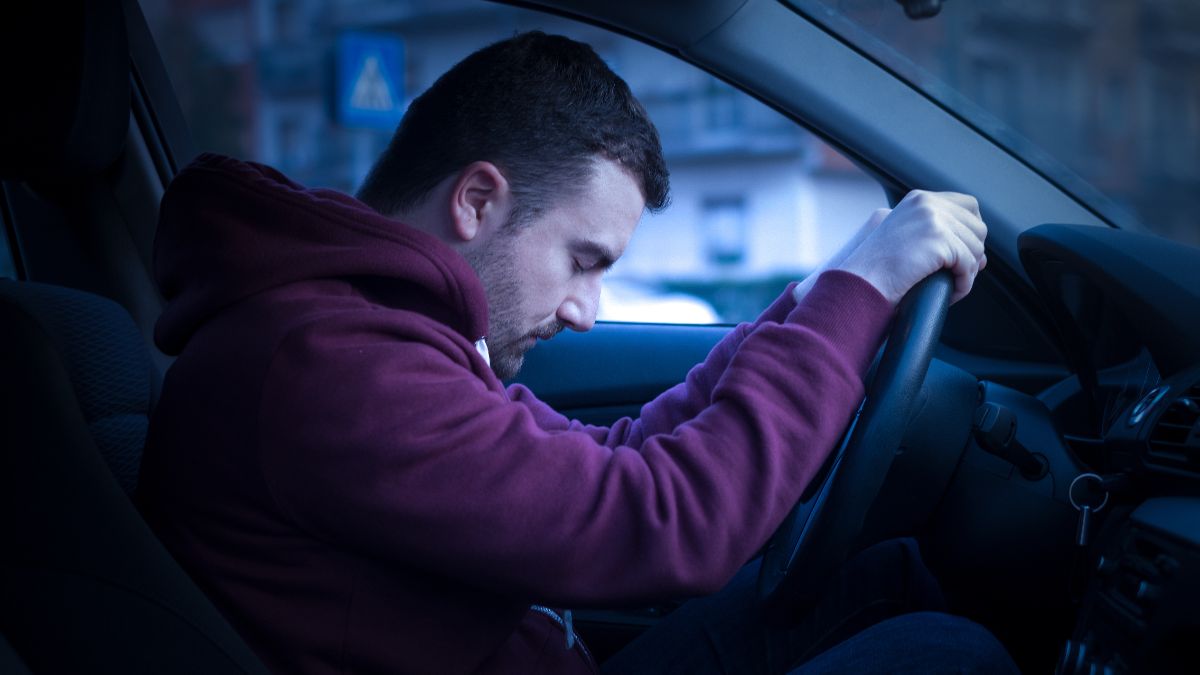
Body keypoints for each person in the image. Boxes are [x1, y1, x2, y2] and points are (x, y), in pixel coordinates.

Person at [138, 31, 1012, 674]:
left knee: (891, 579)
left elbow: (610, 458)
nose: (585, 311)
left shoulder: (378, 329)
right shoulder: (329, 364)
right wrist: (856, 299)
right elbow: (664, 516)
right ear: (478, 201)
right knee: (952, 653)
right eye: (583, 261)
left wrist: (823, 299)